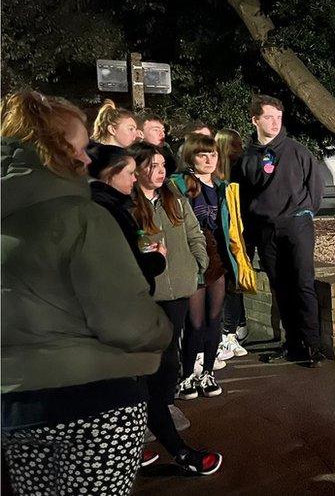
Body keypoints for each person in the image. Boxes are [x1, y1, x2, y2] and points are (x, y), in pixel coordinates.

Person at [1, 91, 171, 494]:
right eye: (80, 148)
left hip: (16, 406)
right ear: (57, 151)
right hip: (95, 404)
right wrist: (162, 331)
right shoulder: (80, 217)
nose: (88, 159)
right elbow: (127, 322)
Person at [130, 143, 222, 475]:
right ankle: (154, 428)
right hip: (149, 295)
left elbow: (195, 234)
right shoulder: (129, 204)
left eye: (162, 164)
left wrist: (198, 264)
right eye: (152, 165)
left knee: (169, 358)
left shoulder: (175, 199)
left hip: (180, 289)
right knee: (160, 361)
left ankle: (155, 417)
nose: (160, 170)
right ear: (137, 169)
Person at [235, 94, 325, 366]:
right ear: (255, 120)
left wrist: (307, 211)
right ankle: (292, 343)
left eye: (278, 117)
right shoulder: (247, 158)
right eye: (268, 117)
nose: (274, 123)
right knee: (280, 288)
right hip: (265, 229)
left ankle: (312, 346)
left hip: (296, 225)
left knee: (303, 284)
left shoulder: (297, 150)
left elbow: (316, 185)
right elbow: (243, 196)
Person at [171, 134, 240, 399]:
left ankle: (208, 372)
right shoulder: (177, 185)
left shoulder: (222, 187)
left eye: (212, 154)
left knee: (214, 319)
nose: (209, 160)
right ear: (190, 157)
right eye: (202, 155)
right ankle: (187, 375)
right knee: (194, 322)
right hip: (191, 260)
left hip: (217, 260)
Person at [87, 146, 167, 293]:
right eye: (130, 173)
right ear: (111, 173)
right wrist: (158, 258)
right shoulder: (107, 209)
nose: (134, 178)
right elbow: (124, 263)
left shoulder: (113, 203)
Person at [215, 129, 250, 356]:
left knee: (232, 282)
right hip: (234, 231)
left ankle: (231, 331)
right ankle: (236, 327)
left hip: (235, 231)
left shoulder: (234, 171)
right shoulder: (230, 170)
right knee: (232, 282)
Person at [140, 111, 178, 176]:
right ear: (141, 133)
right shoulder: (137, 157)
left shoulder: (167, 154)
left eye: (163, 130)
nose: (162, 134)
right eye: (156, 130)